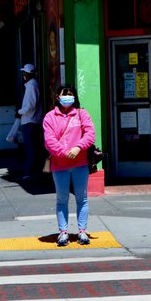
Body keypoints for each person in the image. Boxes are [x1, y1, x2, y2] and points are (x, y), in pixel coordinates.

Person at [42, 84, 95, 246]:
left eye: (71, 94)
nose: (68, 98)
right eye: (65, 94)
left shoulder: (81, 114)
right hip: (59, 164)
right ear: (57, 97)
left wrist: (78, 147)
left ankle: (82, 231)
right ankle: (63, 232)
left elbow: (90, 134)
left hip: (80, 163)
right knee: (62, 199)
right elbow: (49, 141)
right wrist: (65, 152)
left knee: (82, 198)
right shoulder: (50, 117)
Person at [17, 64, 42, 180]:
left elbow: (30, 106)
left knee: (30, 147)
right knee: (30, 147)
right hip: (30, 120)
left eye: (25, 73)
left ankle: (29, 171)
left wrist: (20, 112)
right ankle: (30, 170)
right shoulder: (30, 85)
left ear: (29, 74)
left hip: (30, 121)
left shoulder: (32, 86)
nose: (24, 75)